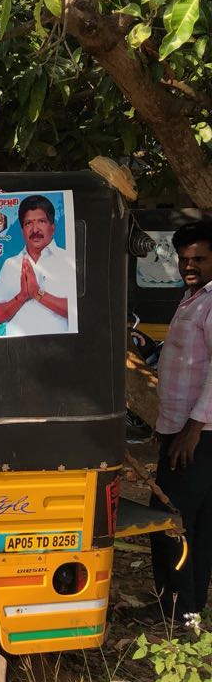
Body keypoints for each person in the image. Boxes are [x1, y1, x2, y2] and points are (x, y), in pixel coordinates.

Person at [150, 220, 212, 621]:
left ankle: (178, 608)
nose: (190, 265)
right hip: (177, 426)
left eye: (200, 259)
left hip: (196, 433)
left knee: (170, 517)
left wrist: (193, 428)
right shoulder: (192, 298)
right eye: (184, 258)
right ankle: (185, 606)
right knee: (195, 520)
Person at [0, 195, 72, 336]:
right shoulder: (11, 264)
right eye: (28, 223)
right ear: (22, 231)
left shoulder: (68, 260)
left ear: (53, 227)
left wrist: (37, 294)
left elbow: (79, 310)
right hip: (18, 352)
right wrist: (22, 296)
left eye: (41, 221)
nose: (35, 229)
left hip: (58, 349)